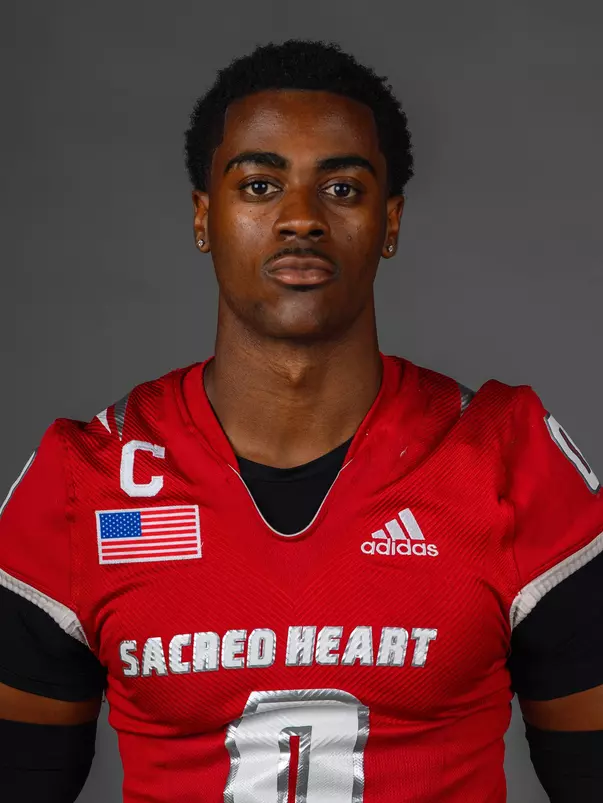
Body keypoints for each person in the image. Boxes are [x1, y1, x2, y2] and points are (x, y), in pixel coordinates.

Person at [0, 38, 602, 803]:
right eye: (258, 185)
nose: (300, 219)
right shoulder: (82, 479)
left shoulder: (504, 456)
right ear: (202, 217)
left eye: (342, 190)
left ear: (389, 223)